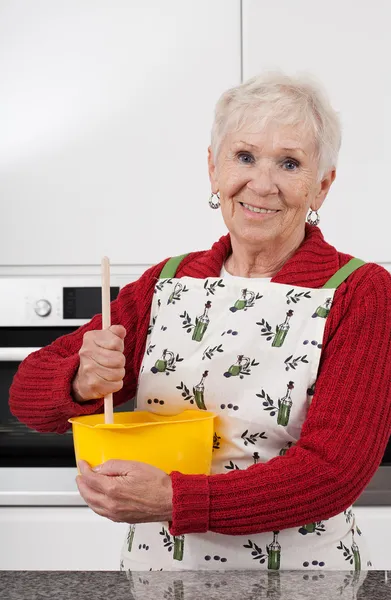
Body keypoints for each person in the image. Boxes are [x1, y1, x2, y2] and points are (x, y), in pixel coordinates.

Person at [9, 73, 391, 571]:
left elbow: (334, 471)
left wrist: (173, 499)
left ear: (321, 185)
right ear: (213, 169)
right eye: (245, 156)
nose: (262, 183)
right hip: (162, 578)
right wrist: (79, 381)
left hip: (300, 582)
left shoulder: (360, 293)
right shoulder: (167, 281)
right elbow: (25, 399)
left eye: (290, 163)